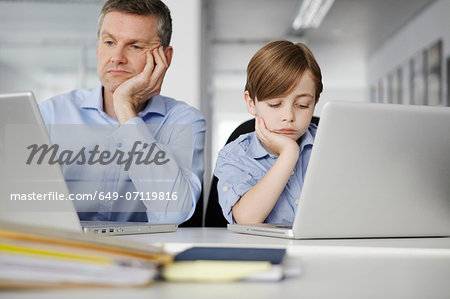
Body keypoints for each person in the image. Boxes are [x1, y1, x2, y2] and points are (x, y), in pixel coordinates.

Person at [39, 0, 205, 224]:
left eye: (135, 46)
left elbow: (171, 213)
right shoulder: (50, 115)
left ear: (165, 57)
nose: (116, 57)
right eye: (109, 42)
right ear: (98, 48)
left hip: (143, 253)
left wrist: (125, 109)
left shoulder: (185, 121)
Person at [214, 41, 323, 224]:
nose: (288, 116)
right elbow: (247, 219)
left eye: (302, 105)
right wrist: (289, 153)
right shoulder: (235, 156)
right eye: (275, 104)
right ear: (251, 103)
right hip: (263, 252)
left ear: (315, 102)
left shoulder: (330, 144)